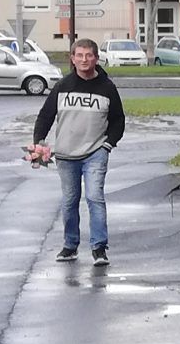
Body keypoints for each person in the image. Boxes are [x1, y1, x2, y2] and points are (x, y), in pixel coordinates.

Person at [28, 36, 126, 262]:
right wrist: (38, 142)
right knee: (70, 200)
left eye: (88, 55)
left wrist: (108, 144)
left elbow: (118, 120)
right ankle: (70, 245)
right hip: (65, 155)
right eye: (79, 55)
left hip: (95, 153)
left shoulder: (107, 87)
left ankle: (99, 247)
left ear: (96, 58)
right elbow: (45, 116)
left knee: (95, 197)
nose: (84, 60)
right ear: (72, 59)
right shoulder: (62, 86)